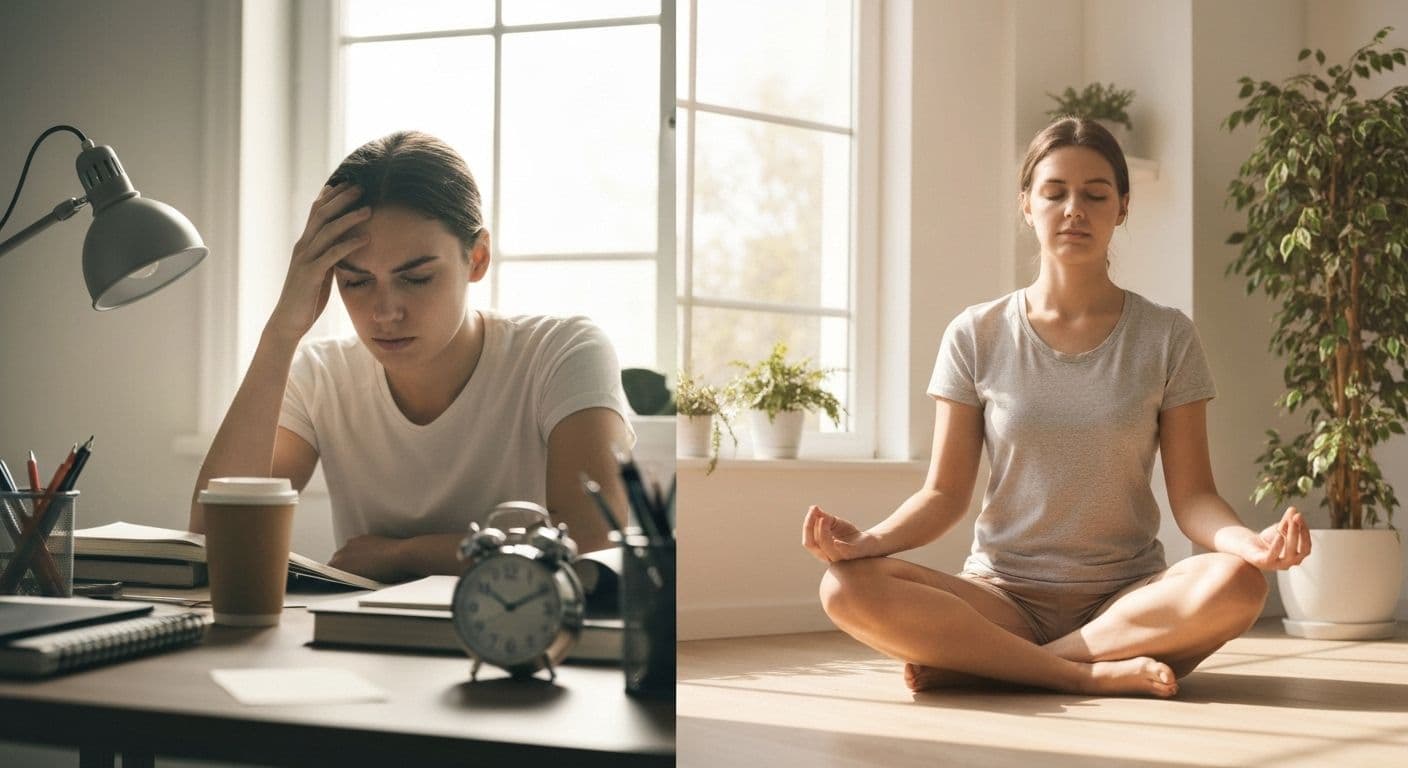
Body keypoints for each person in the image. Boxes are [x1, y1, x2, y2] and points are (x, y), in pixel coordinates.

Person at [802, 117, 1310, 698]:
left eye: (1096, 194)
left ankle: (999, 666)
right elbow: (944, 496)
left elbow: (1193, 496)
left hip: (1128, 602)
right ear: (1027, 204)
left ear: (1121, 207)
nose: (1075, 209)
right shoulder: (976, 333)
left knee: (1241, 585)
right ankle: (1079, 674)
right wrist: (868, 543)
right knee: (843, 588)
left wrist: (1250, 544)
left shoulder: (1167, 336)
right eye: (1055, 193)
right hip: (1001, 597)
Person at [190, 131, 634, 582]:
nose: (385, 313)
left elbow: (593, 546)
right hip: (368, 644)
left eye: (417, 278)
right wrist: (282, 331)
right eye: (356, 282)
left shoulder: (561, 353)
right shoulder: (320, 376)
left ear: (477, 258)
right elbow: (212, 540)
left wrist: (404, 555)